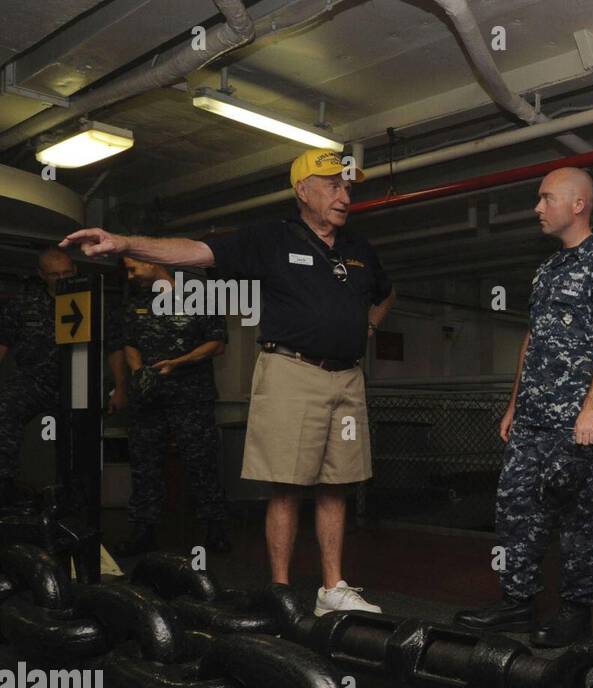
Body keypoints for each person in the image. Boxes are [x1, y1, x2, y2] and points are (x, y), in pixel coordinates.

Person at [63, 148, 396, 615]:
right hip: (292, 372)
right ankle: (280, 592)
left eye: (348, 187)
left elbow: (385, 292)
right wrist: (123, 243)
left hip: (347, 379)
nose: (344, 195)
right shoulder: (272, 238)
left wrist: (369, 326)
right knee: (287, 486)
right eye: (333, 185)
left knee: (336, 484)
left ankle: (332, 589)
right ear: (303, 190)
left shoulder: (359, 249)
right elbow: (195, 251)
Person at [455, 168, 593, 648]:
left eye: (545, 198)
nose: (538, 207)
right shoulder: (547, 270)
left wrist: (592, 409)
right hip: (531, 419)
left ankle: (576, 613)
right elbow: (531, 341)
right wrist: (514, 404)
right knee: (516, 511)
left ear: (578, 204)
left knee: (577, 519)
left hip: (575, 422)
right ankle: (517, 602)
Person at [114, 257, 230, 556]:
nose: (130, 276)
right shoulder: (136, 302)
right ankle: (144, 531)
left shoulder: (200, 296)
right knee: (144, 466)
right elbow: (129, 342)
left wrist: (177, 363)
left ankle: (215, 530)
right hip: (148, 399)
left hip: (191, 397)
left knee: (202, 463)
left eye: (133, 268)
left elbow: (217, 344)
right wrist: (139, 371)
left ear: (152, 263)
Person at [0, 248, 76, 502]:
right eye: (55, 274)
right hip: (32, 380)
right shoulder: (24, 304)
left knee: (78, 436)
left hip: (75, 383)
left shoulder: (89, 302)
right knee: (4, 408)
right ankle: (5, 483)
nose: (62, 278)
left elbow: (114, 346)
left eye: (66, 272)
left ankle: (74, 492)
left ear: (75, 271)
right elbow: (3, 343)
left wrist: (120, 387)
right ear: (42, 275)